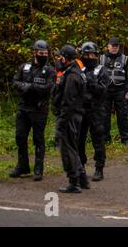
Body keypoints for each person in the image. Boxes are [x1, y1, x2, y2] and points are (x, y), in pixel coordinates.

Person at [10, 40, 56, 181]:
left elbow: (49, 88)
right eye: (41, 53)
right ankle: (22, 166)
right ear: (34, 52)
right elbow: (15, 82)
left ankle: (38, 169)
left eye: (46, 53)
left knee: (38, 139)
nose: (43, 55)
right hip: (23, 108)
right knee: (20, 137)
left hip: (39, 109)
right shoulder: (24, 67)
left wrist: (32, 87)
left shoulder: (49, 70)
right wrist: (25, 86)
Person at [54, 44, 87, 193]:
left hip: (69, 117)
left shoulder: (72, 76)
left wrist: (62, 120)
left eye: (61, 56)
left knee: (68, 149)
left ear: (66, 58)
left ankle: (74, 181)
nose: (59, 59)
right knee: (72, 147)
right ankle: (82, 179)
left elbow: (68, 101)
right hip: (74, 115)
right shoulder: (72, 71)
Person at [77, 42, 109, 182]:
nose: (90, 57)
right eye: (87, 55)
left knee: (98, 139)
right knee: (79, 139)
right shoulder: (78, 69)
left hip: (96, 109)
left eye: (93, 55)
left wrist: (90, 82)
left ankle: (99, 167)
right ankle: (80, 166)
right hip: (81, 109)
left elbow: (103, 90)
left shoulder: (101, 70)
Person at [100, 37, 128, 145]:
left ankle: (125, 139)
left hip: (120, 91)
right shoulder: (101, 58)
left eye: (116, 46)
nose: (114, 47)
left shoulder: (124, 59)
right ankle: (105, 139)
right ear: (108, 46)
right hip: (105, 91)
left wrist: (127, 90)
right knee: (104, 116)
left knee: (122, 116)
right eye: (112, 45)